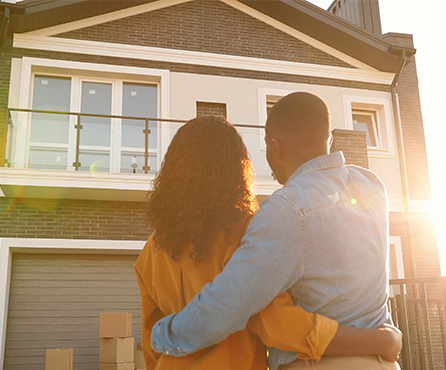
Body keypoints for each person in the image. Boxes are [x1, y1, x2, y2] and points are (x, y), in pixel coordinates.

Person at [148, 92, 400, 370]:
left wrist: (157, 337)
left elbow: (217, 308)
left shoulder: (152, 249)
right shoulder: (373, 186)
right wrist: (381, 342)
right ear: (328, 139)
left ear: (274, 146)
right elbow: (273, 322)